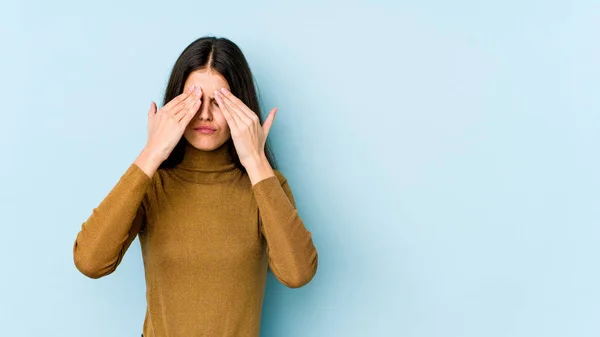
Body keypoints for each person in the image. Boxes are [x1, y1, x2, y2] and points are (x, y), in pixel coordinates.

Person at [72, 36, 319, 337]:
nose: (204, 114)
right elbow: (90, 261)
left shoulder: (265, 186)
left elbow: (298, 274)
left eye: (219, 102)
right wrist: (152, 153)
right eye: (194, 100)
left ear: (241, 107)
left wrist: (255, 161)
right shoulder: (153, 186)